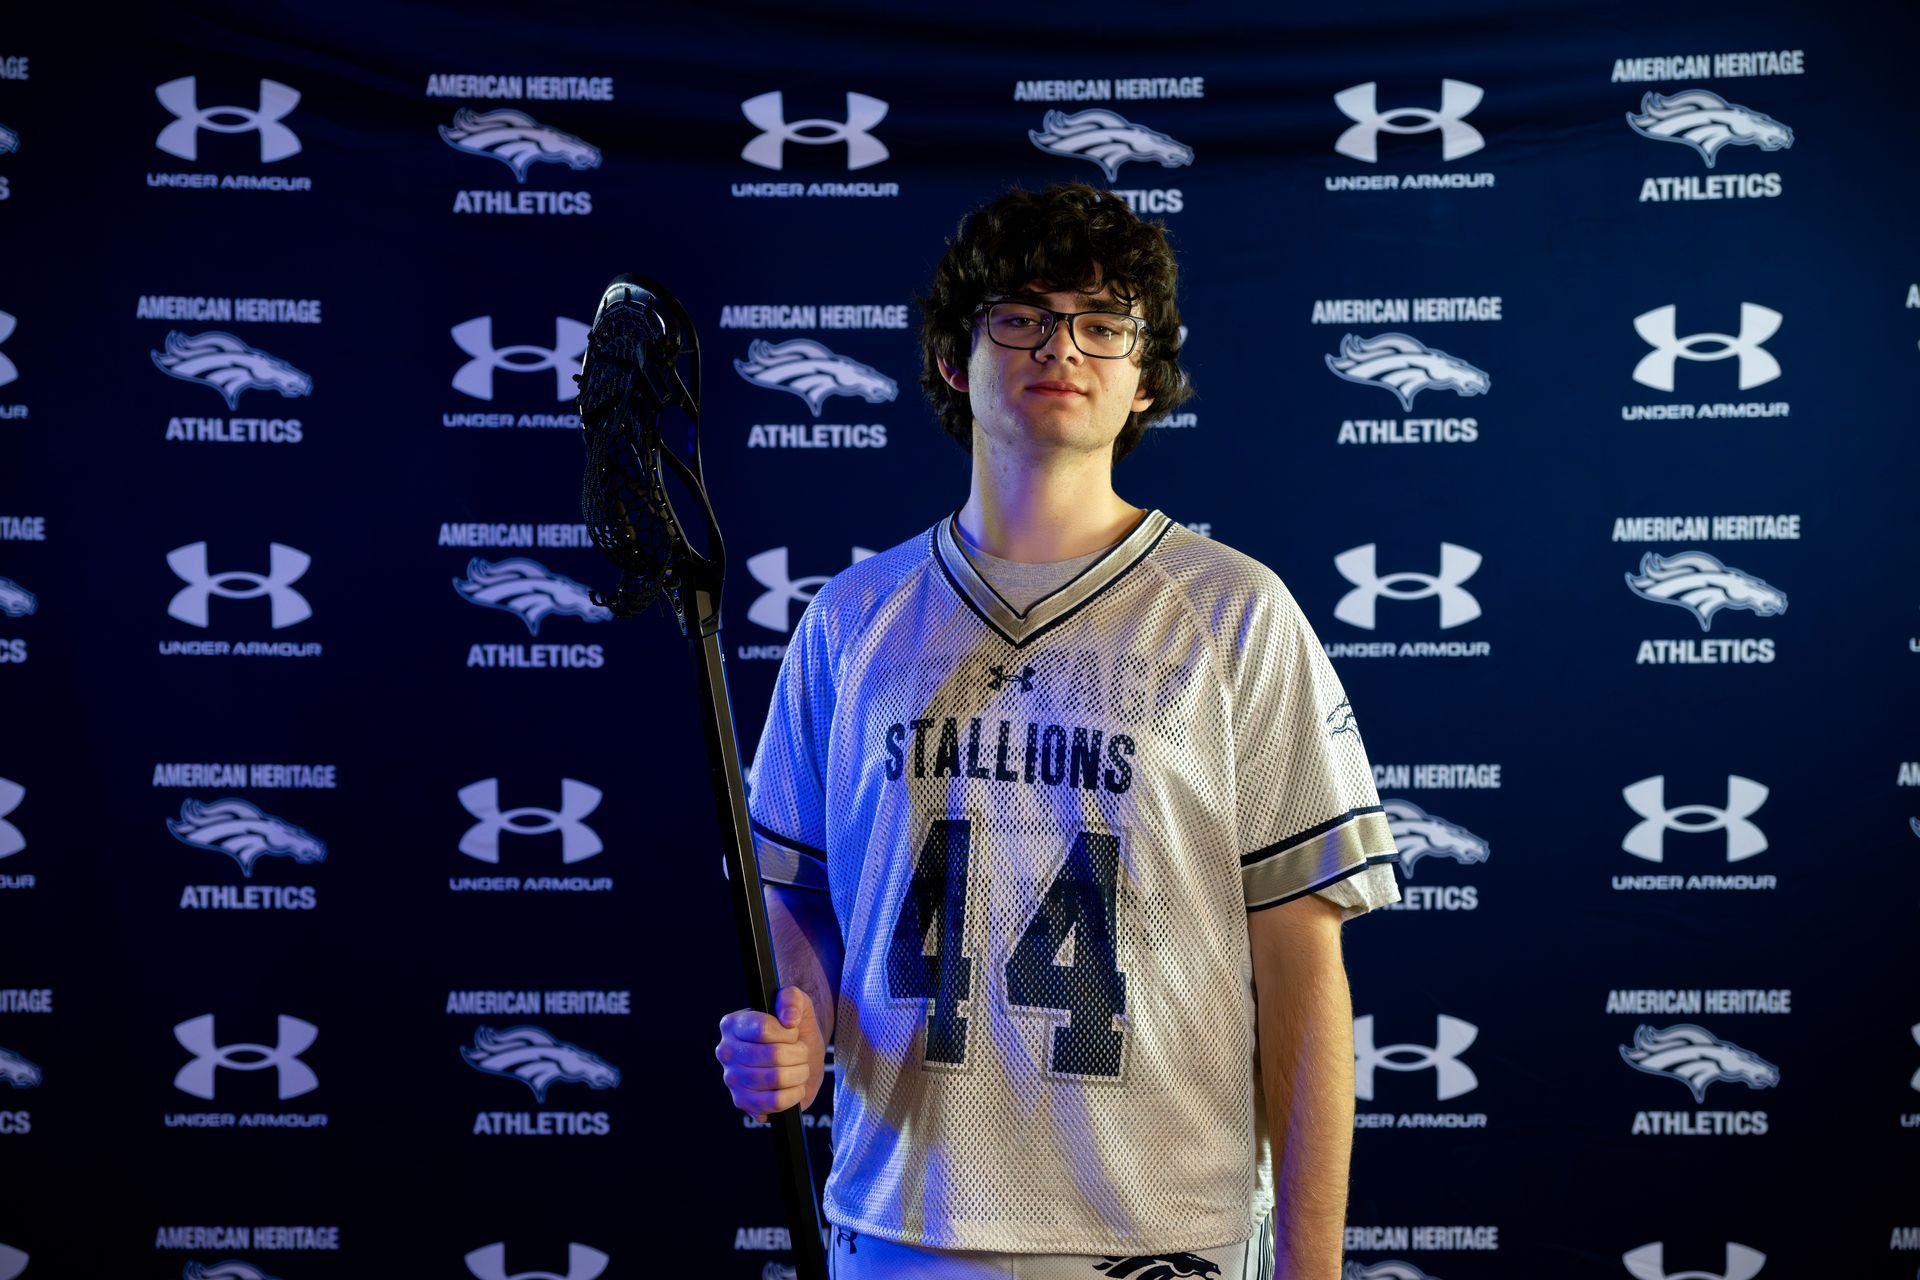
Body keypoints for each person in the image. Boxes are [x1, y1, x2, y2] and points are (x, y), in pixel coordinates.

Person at [715, 181, 1400, 1280]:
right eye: (1021, 316)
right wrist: (794, 1019)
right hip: (905, 1218)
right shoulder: (851, 619)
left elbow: (1303, 971)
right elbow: (798, 895)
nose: (1061, 346)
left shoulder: (1235, 613)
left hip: (1163, 1225)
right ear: (955, 357)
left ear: (1144, 375)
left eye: (1101, 322)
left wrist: (1310, 1268)